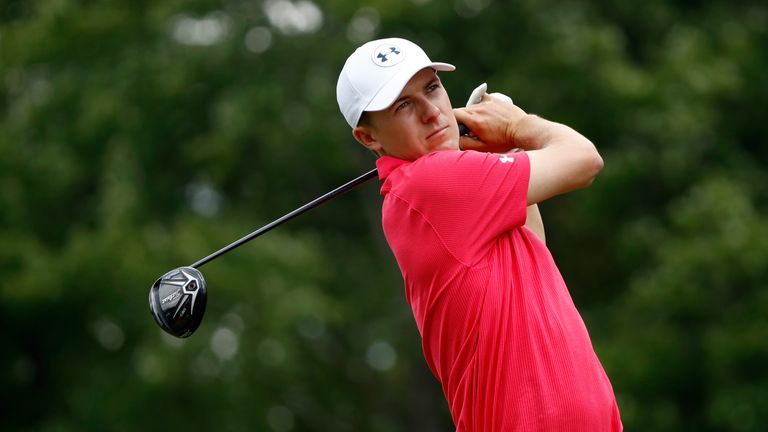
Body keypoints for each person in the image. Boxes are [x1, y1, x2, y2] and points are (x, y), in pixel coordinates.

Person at [336, 37, 622, 431]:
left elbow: (533, 244)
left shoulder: (451, 191)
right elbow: (584, 159)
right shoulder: (429, 183)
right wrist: (518, 125)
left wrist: (498, 150)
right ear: (369, 137)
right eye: (403, 105)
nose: (431, 113)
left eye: (431, 88)